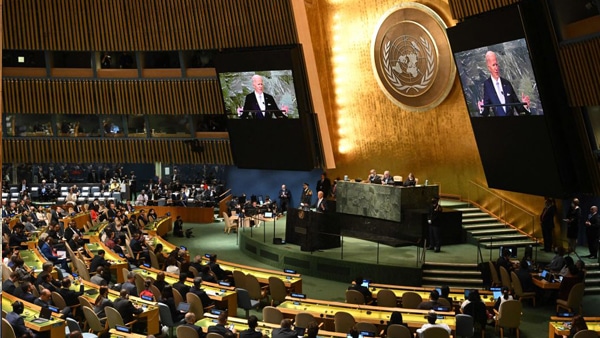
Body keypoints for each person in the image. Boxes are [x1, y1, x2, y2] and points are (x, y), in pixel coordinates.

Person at [477, 51, 530, 117]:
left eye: (497, 64)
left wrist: (524, 105)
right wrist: (482, 108)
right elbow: (486, 111)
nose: (496, 68)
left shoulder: (507, 83)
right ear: (489, 68)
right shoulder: (487, 85)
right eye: (493, 65)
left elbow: (517, 106)